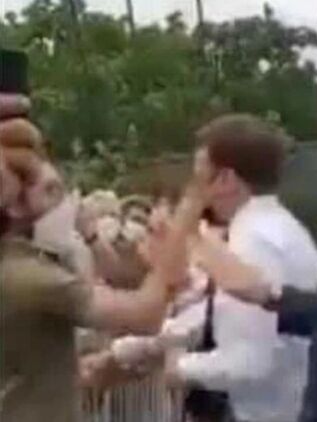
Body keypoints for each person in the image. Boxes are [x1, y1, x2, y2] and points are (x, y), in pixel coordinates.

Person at [0, 117, 200, 421]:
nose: (66, 203)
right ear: (14, 205)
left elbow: (120, 280)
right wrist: (180, 229)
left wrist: (92, 238)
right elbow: (144, 316)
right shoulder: (29, 277)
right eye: (51, 191)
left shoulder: (27, 263)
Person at [169, 114, 317, 422]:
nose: (195, 189)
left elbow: (250, 361)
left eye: (199, 177)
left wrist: (180, 367)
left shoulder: (252, 241)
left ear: (226, 179)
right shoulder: (278, 227)